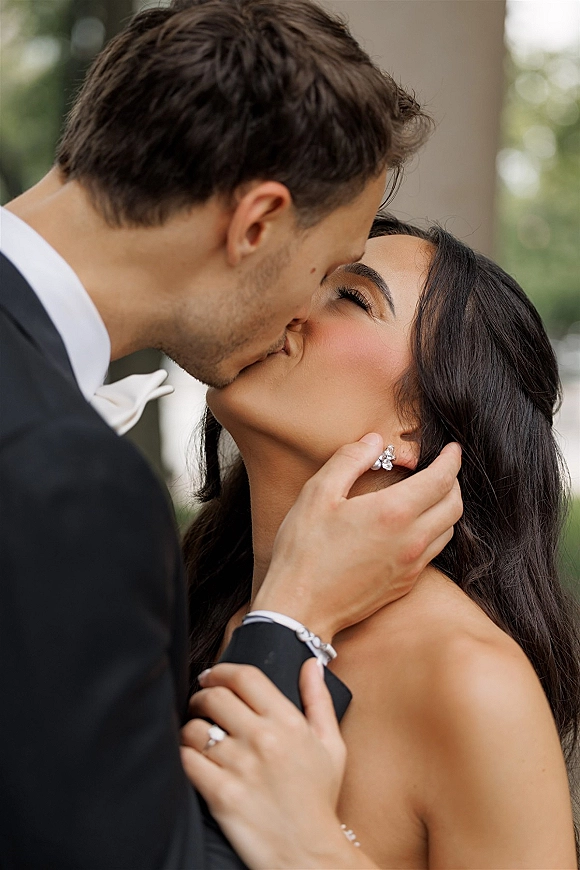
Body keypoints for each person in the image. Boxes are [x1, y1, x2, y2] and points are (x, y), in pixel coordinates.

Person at [0, 2, 463, 868]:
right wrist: (294, 617)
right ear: (255, 224)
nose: (303, 314)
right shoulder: (67, 475)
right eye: (327, 269)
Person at [180, 214, 580, 869]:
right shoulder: (194, 603)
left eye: (351, 295)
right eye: (305, 275)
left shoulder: (469, 679)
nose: (288, 301)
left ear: (418, 426)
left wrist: (313, 851)